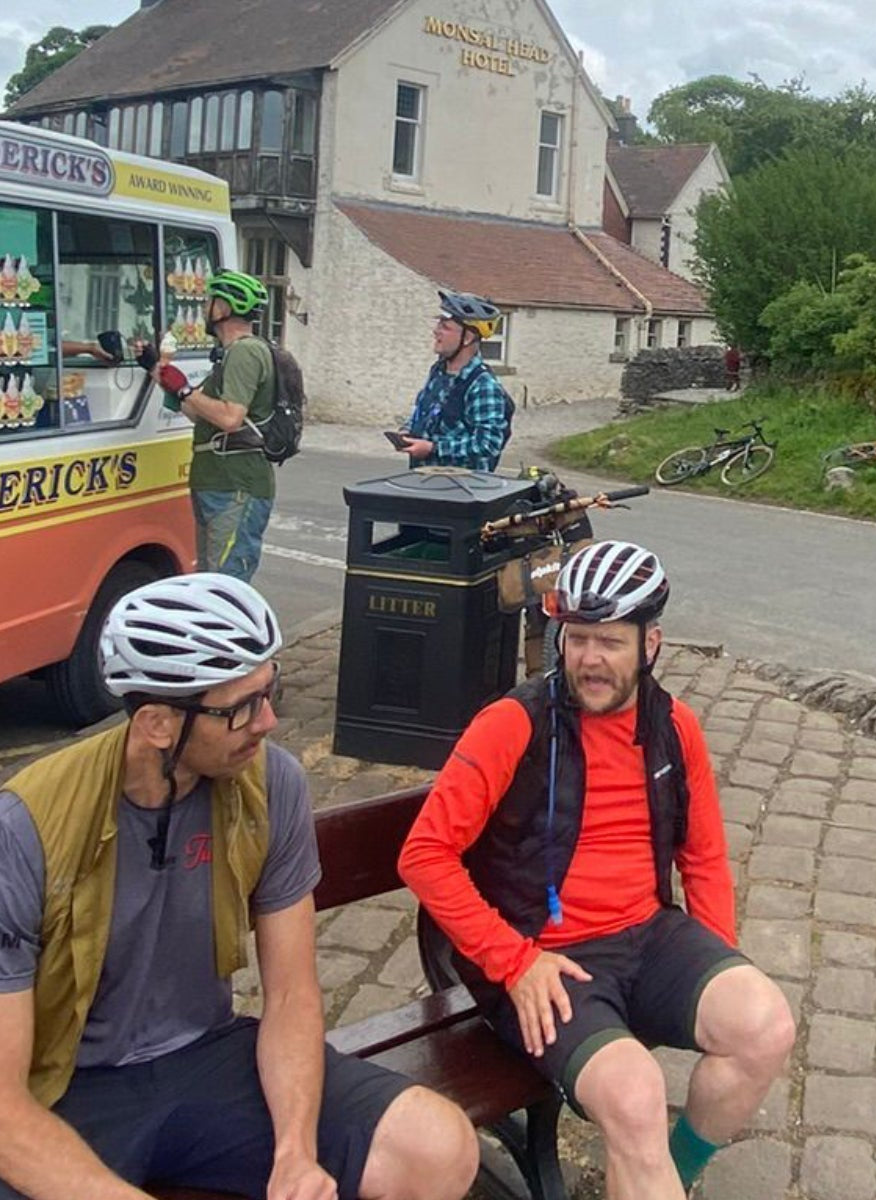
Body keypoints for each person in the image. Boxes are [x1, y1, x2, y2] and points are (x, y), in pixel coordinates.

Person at [0, 573, 479, 1200]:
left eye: (269, 690)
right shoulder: (26, 829)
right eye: (242, 707)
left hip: (207, 1054)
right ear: (157, 725)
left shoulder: (269, 784)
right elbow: (6, 1109)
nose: (271, 721)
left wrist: (296, 1154)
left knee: (437, 1147)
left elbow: (289, 995)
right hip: (68, 1086)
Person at [400, 541, 795, 1200]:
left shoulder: (675, 728)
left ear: (651, 644)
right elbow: (424, 854)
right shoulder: (513, 726)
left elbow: (702, 855)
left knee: (764, 1026)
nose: (589, 659)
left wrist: (717, 959)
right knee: (636, 1094)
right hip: (546, 959)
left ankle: (674, 1171)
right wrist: (513, 961)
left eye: (609, 641)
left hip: (647, 936)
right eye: (576, 639)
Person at [154, 269, 277, 582]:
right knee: (210, 579)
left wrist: (185, 390)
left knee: (225, 585)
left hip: (236, 487)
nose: (206, 306)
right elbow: (202, 416)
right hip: (216, 483)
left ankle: (233, 633)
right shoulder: (228, 355)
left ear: (224, 308)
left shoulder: (246, 352)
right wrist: (159, 376)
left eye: (211, 300)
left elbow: (229, 418)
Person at [395, 291, 513, 470]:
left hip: (462, 490)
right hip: (427, 482)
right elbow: (425, 414)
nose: (436, 331)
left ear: (467, 338)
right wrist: (408, 431)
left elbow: (489, 444)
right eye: (438, 324)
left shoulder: (483, 385)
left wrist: (433, 448)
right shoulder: (438, 372)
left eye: (445, 327)